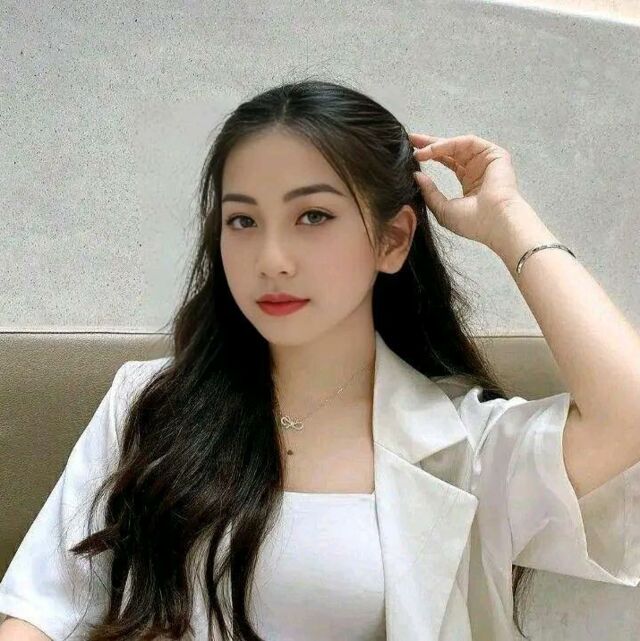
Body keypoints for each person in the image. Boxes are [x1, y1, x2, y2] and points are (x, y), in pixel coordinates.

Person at [1, 79, 639, 641]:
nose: (272, 259)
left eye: (313, 216)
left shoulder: (464, 450)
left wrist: (507, 220)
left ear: (392, 239)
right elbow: (45, 611)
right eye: (243, 221)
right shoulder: (150, 402)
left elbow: (628, 412)